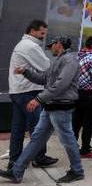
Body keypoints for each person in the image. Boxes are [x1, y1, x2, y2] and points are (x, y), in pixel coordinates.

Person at [1, 36, 84, 183]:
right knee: (37, 139)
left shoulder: (70, 60)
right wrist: (26, 72)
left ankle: (77, 171)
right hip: (50, 106)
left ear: (59, 45)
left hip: (61, 107)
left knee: (67, 140)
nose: (49, 48)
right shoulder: (58, 60)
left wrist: (38, 99)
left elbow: (60, 85)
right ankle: (17, 171)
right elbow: (43, 78)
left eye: (51, 45)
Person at [6, 20, 58, 171]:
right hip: (29, 91)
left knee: (18, 128)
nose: (44, 36)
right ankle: (39, 157)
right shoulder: (31, 46)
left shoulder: (21, 44)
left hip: (17, 91)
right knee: (38, 128)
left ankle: (14, 161)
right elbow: (46, 66)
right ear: (32, 31)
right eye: (42, 33)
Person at [73, 36, 92, 159]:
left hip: (76, 93)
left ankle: (72, 147)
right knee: (89, 123)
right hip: (89, 94)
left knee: (76, 121)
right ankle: (85, 149)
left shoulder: (77, 56)